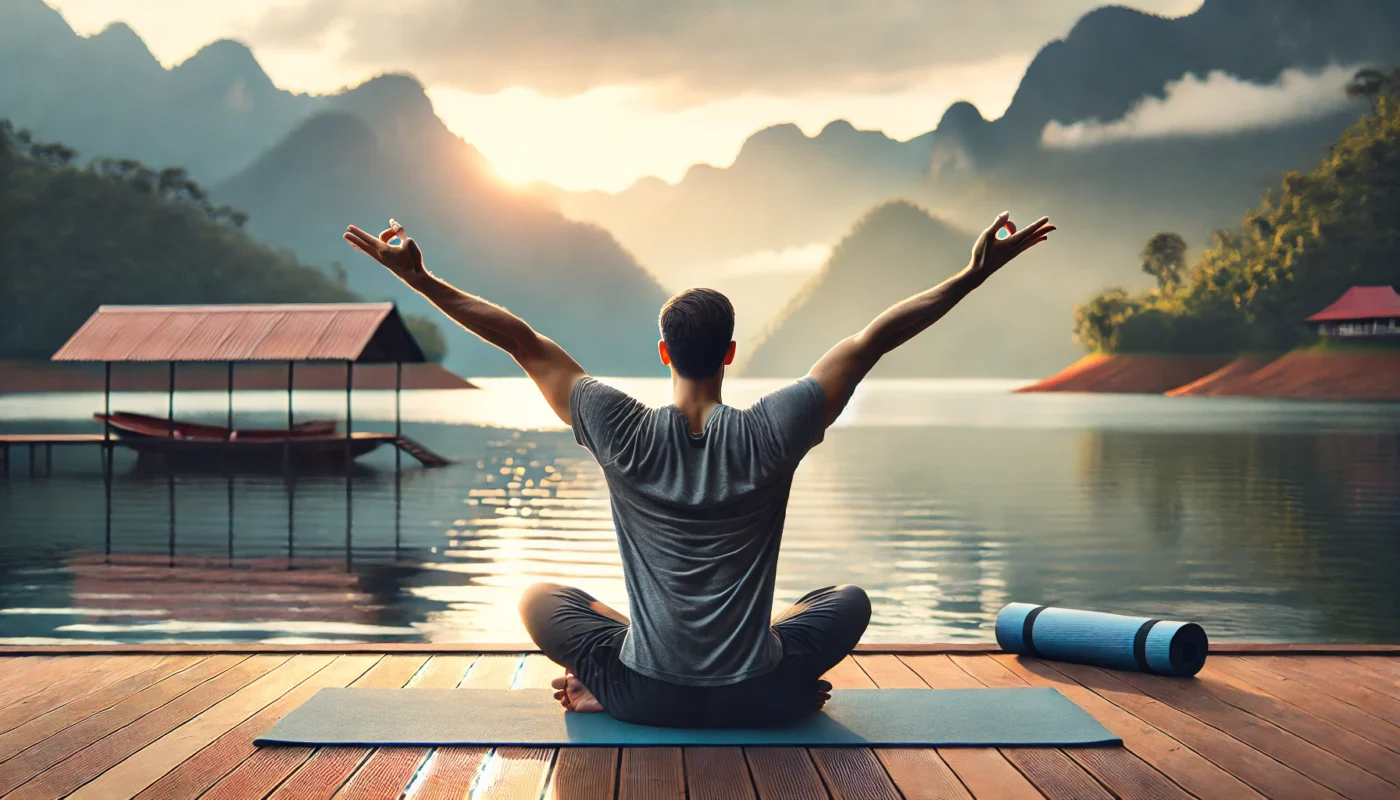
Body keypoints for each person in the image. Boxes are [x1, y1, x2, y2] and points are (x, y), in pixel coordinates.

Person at [343, 210, 1054, 727]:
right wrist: (973, 274)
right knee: (847, 599)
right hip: (760, 694)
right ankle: (772, 675)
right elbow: (872, 341)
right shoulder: (779, 427)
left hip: (642, 694)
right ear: (731, 353)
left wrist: (423, 279)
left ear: (663, 353)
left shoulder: (615, 425)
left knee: (535, 597)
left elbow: (522, 343)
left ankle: (611, 682)